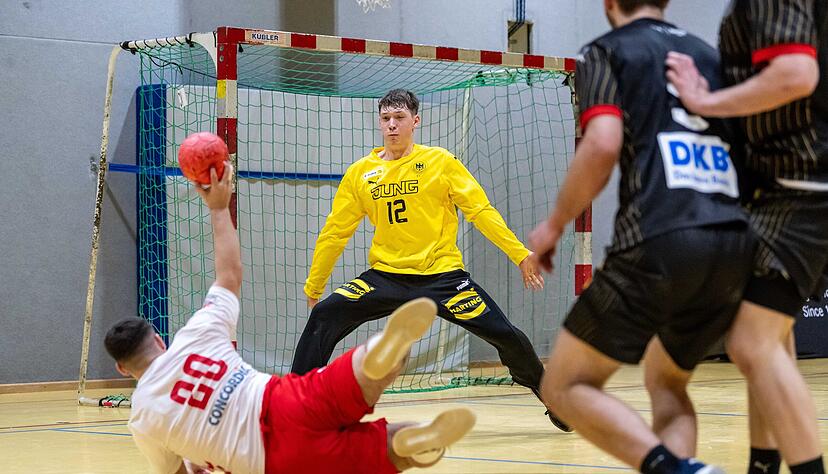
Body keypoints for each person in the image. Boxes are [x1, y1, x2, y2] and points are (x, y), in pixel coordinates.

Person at [104, 163, 475, 474]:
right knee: (369, 369)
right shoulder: (195, 336)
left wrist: (199, 461)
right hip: (284, 400)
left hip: (273, 462)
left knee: (388, 448)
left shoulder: (144, 417)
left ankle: (411, 441)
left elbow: (177, 473)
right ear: (158, 340)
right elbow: (229, 275)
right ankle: (378, 353)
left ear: (123, 369)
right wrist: (219, 207)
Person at [529, 0, 756, 472]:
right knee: (667, 381)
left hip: (661, 239)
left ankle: (677, 468)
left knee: (563, 386)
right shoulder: (707, 56)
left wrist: (553, 225)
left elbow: (603, 143)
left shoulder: (606, 52)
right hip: (734, 241)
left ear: (609, 4)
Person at [291, 88, 569, 430]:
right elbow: (335, 232)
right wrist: (315, 283)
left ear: (415, 121)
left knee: (506, 334)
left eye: (399, 118)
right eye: (385, 119)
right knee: (324, 315)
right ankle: (294, 406)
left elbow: (479, 211)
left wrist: (519, 254)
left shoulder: (441, 162)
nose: (392, 125)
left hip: (443, 279)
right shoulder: (360, 174)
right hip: (386, 278)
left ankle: (551, 397)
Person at [665, 1, 826, 473]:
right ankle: (762, 465)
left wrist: (705, 103)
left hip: (803, 187)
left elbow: (796, 74)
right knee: (772, 340)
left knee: (751, 343)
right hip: (784, 188)